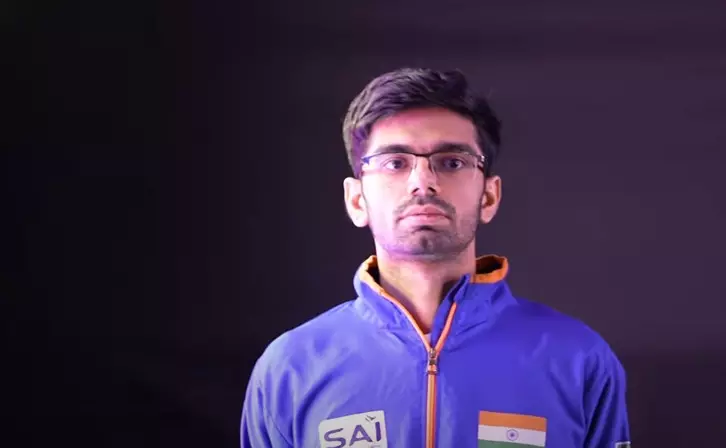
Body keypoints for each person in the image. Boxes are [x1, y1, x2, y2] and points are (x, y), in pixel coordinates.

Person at [240, 68, 631, 448]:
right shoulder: (290, 368)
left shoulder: (578, 359)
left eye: (451, 162)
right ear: (357, 200)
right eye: (395, 163)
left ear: (489, 197)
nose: (422, 182)